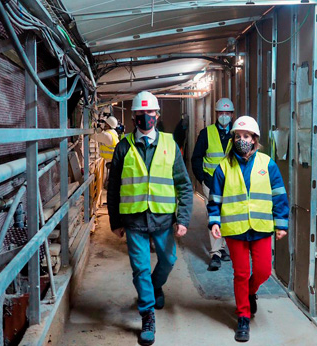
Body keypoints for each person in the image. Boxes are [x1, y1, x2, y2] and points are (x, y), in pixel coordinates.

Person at [107, 91, 193, 346]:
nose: (146, 117)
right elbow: (113, 188)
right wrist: (115, 221)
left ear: (157, 115)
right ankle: (147, 314)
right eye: (141, 113)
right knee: (140, 267)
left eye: (151, 113)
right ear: (134, 116)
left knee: (168, 260)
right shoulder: (123, 147)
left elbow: (184, 185)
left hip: (163, 218)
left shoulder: (169, 145)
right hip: (134, 220)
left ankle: (156, 287)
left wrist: (184, 219)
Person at [207, 116, 289, 342]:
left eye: (246, 136)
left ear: (255, 140)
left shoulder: (267, 164)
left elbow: (279, 194)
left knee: (262, 271)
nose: (241, 139)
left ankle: (251, 292)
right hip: (235, 229)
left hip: (261, 227)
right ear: (233, 139)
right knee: (241, 273)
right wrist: (214, 222)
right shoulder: (224, 167)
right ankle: (242, 316)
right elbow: (214, 199)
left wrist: (281, 223)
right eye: (237, 136)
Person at [191, 97, 234, 271]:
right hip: (211, 182)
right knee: (214, 216)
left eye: (227, 113)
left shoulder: (237, 134)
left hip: (232, 185)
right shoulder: (206, 133)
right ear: (216, 114)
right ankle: (215, 253)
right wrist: (202, 179)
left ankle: (222, 248)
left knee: (227, 216)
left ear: (232, 114)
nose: (224, 116)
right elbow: (196, 158)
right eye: (221, 113)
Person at [93, 115, 119, 189]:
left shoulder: (106, 135)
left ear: (107, 125)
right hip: (114, 161)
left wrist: (99, 128)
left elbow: (92, 136)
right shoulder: (113, 133)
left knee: (109, 183)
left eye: (105, 123)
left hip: (111, 162)